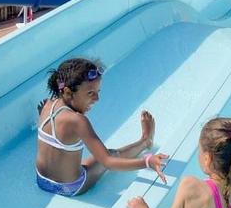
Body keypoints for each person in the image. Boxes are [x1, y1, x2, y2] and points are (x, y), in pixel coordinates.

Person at [35, 58, 167, 197]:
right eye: (90, 93)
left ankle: (145, 141)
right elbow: (108, 162)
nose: (97, 98)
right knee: (111, 154)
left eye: (98, 91)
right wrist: (147, 162)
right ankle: (145, 141)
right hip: (70, 187)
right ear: (68, 93)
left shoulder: (47, 106)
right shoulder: (78, 121)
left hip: (42, 180)